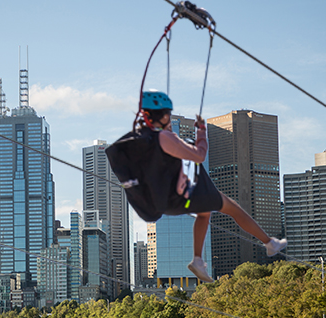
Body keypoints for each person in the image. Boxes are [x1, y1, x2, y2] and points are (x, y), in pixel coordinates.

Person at [106, 91, 287, 283]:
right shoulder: (163, 138)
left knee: (204, 212)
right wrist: (201, 131)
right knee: (233, 208)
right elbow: (199, 155)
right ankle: (269, 243)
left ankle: (198, 260)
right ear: (165, 115)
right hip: (181, 196)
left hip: (160, 201)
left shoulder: (137, 140)